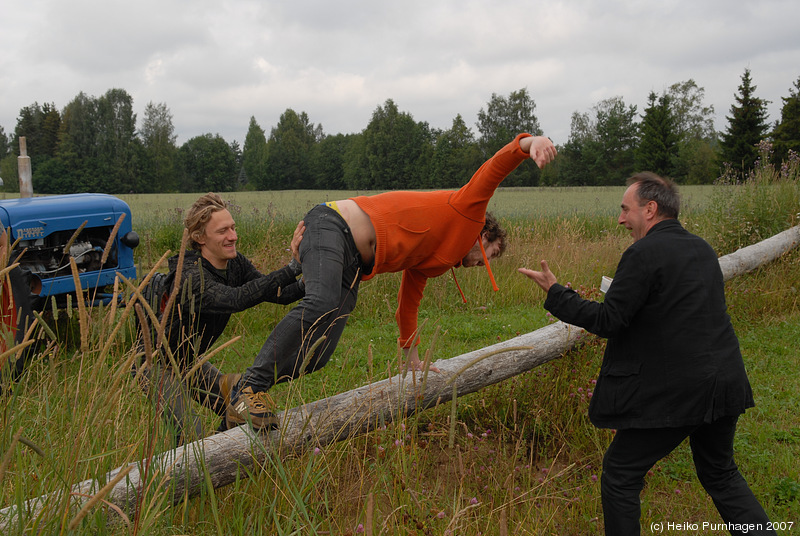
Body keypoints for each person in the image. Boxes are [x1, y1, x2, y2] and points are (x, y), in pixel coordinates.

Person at [227, 134, 557, 430]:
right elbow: (494, 168)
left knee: (320, 352)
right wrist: (531, 144)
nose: (477, 265)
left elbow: (408, 302)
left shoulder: (437, 260)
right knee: (321, 303)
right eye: (488, 254)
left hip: (353, 262)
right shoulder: (467, 209)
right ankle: (249, 387)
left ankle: (248, 394)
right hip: (332, 225)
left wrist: (411, 357)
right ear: (483, 234)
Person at [518, 172, 775, 535]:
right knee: (721, 474)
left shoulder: (642, 252)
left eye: (626, 209)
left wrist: (557, 292)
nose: (621, 218)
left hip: (682, 389)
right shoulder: (701, 248)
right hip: (724, 382)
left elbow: (610, 320)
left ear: (650, 209)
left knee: (621, 474)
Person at [134, 193, 305, 444]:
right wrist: (291, 268)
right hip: (156, 363)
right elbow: (235, 299)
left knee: (242, 399)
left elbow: (278, 293)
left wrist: (313, 276)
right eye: (223, 231)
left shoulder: (234, 264)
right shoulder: (191, 277)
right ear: (199, 238)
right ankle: (199, 468)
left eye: (233, 228)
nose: (233, 236)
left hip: (189, 361)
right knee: (191, 433)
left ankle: (223, 449)